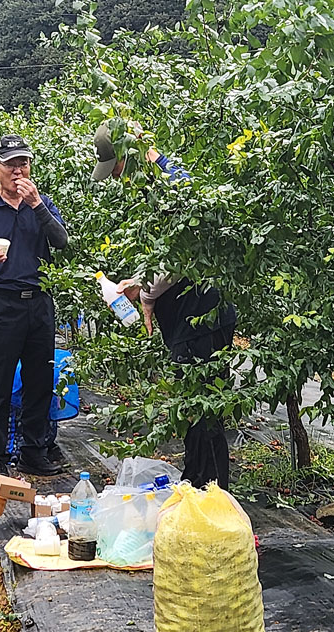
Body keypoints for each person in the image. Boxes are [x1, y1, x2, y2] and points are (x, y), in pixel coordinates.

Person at [93, 120, 237, 490]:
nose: (118, 177)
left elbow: (178, 256)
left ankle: (213, 495)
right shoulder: (167, 175)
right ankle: (197, 485)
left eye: (117, 168)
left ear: (128, 154)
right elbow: (166, 256)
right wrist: (138, 282)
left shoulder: (167, 186)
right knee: (196, 409)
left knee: (204, 410)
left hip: (199, 318)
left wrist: (146, 296)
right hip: (198, 315)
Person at [0, 135, 69, 483]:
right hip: (3, 305)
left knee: (40, 380)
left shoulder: (42, 204)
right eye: (10, 164)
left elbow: (62, 241)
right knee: (0, 382)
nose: (18, 170)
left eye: (23, 163)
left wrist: (37, 205)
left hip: (40, 302)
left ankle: (33, 452)